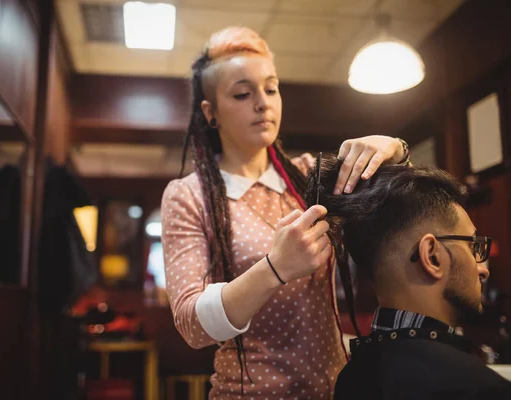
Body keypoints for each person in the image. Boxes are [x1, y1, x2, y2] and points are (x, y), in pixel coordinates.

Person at [161, 26, 411, 399]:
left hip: (336, 388)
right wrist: (274, 268)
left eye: (271, 88)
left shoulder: (309, 175)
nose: (263, 103)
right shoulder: (189, 196)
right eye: (243, 93)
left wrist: (394, 149)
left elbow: (404, 204)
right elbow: (191, 324)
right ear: (211, 113)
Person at [304, 157, 511, 399]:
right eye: (474, 247)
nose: (482, 269)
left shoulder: (351, 377)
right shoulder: (480, 391)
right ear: (431, 256)